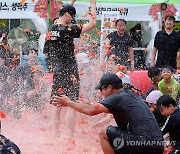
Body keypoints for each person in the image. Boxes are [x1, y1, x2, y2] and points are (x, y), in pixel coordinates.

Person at [51, 73, 164, 154]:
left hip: (143, 146)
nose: (101, 93)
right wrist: (89, 103)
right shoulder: (129, 95)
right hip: (157, 145)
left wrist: (68, 102)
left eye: (102, 90)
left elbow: (91, 111)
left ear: (110, 87)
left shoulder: (117, 97)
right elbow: (96, 107)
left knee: (104, 132)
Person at [46, 0, 96, 137]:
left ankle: (55, 135)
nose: (73, 20)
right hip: (69, 70)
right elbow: (93, 24)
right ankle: (69, 136)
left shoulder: (53, 29)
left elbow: (64, 13)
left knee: (57, 103)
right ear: (67, 14)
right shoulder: (68, 30)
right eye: (72, 16)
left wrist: (71, 2)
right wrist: (92, 4)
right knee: (71, 104)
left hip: (58, 68)